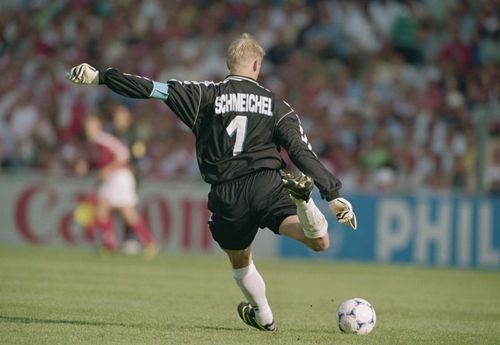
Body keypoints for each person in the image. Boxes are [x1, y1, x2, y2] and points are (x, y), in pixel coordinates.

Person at [66, 33, 357, 331]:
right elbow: (299, 150)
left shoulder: (204, 94)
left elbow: (150, 88)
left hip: (227, 193)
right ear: (256, 64)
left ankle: (264, 316)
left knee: (241, 260)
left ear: (229, 63)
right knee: (319, 242)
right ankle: (304, 203)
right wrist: (331, 193)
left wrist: (101, 77)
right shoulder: (276, 104)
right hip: (267, 183)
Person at [81, 115, 158, 258]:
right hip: (113, 178)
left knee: (125, 212)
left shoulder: (104, 140)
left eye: (91, 127)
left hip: (120, 176)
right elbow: (97, 162)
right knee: (103, 211)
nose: (89, 131)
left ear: (98, 127)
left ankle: (148, 243)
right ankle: (110, 245)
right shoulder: (92, 143)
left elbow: (124, 154)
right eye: (87, 128)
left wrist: (107, 169)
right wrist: (86, 165)